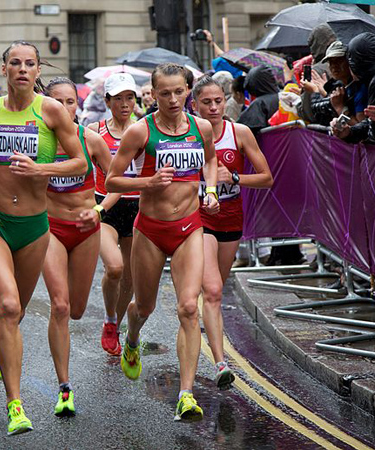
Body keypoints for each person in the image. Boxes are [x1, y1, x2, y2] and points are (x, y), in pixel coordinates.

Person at [0, 40, 87, 435]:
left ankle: (2, 342)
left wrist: (42, 171)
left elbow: (80, 161)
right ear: (4, 70)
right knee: (9, 307)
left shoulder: (50, 111)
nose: (23, 69)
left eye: (30, 63)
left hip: (34, 227)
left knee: (18, 312)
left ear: (37, 70)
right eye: (16, 63)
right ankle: (16, 406)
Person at [105, 62, 219, 421]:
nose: (172, 99)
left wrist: (211, 189)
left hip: (190, 227)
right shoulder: (140, 132)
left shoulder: (201, 127)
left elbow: (211, 160)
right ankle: (133, 338)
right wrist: (147, 183)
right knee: (144, 307)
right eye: (164, 93)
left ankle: (186, 394)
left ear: (189, 91)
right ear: (152, 95)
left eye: (179, 92)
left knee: (188, 307)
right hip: (151, 230)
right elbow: (111, 180)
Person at [192, 76, 273, 390]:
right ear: (194, 104)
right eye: (206, 102)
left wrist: (235, 177)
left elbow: (266, 177)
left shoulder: (238, 132)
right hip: (199, 218)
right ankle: (220, 361)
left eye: (218, 101)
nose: (213, 108)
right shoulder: (188, 134)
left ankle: (191, 313)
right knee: (212, 291)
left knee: (215, 289)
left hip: (231, 218)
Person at [42, 77, 116, 416]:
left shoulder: (91, 140)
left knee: (76, 310)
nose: (64, 108)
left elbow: (116, 183)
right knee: (59, 306)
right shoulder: (39, 143)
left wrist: (99, 209)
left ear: (77, 105)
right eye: (57, 102)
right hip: (50, 229)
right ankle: (65, 387)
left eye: (70, 102)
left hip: (87, 230)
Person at [88, 73, 138, 357]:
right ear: (107, 101)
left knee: (130, 278)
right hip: (104, 206)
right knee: (115, 268)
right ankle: (109, 319)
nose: (124, 103)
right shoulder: (95, 131)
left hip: (137, 207)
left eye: (129, 97)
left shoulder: (143, 129)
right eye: (118, 98)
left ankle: (117, 324)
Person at [331, 32, 375, 144]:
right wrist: (349, 132)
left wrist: (341, 108)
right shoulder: (369, 83)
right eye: (331, 62)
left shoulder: (370, 85)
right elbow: (370, 124)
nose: (334, 66)